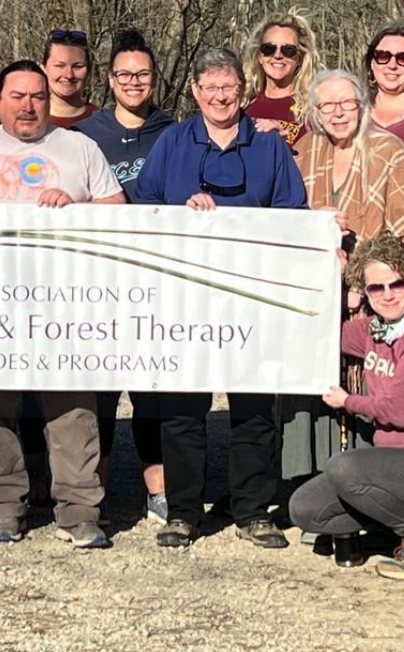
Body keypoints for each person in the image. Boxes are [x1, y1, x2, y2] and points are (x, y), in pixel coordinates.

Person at [0, 59, 124, 549]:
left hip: (67, 302)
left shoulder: (79, 147)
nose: (28, 106)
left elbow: (118, 212)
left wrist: (78, 210)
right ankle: (4, 505)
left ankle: (80, 508)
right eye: (17, 96)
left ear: (49, 101)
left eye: (37, 97)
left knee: (72, 407)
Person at [134, 46, 308, 549]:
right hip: (184, 301)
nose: (219, 97)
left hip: (251, 299)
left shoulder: (269, 147)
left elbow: (292, 211)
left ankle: (254, 511)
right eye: (209, 88)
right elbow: (143, 206)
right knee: (182, 410)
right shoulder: (173, 141)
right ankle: (184, 512)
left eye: (227, 88)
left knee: (254, 409)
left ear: (242, 91)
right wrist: (179, 213)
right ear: (194, 91)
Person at [288, 233, 404, 581]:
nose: (388, 294)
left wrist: (347, 401)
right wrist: (336, 280)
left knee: (344, 468)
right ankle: (399, 529)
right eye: (376, 288)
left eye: (397, 283)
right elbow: (323, 331)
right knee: (305, 508)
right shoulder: (375, 330)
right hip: (395, 473)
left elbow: (397, 410)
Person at [283, 69, 404, 491]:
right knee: (314, 389)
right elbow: (284, 217)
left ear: (362, 106)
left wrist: (358, 281)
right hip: (315, 298)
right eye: (327, 106)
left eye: (346, 104)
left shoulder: (390, 152)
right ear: (314, 112)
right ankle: (313, 483)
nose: (338, 113)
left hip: (372, 297)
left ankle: (372, 484)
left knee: (369, 389)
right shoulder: (302, 152)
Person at [76, 29, 176, 523]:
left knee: (152, 390)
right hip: (100, 279)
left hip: (156, 279)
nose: (134, 82)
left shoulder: (173, 131)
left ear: (154, 79)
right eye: (124, 74)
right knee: (99, 390)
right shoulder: (87, 134)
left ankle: (157, 487)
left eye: (143, 74)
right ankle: (95, 489)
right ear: (110, 80)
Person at [244, 10, 321, 143]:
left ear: (300, 58)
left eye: (288, 50)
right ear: (259, 56)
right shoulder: (243, 105)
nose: (278, 55)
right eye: (269, 49)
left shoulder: (314, 110)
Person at [364, 22, 404, 165]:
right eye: (383, 56)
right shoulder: (352, 113)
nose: (392, 65)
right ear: (372, 63)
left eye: (403, 58)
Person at [42, 28, 100, 127]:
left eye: (78, 66)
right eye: (59, 66)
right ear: (43, 69)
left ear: (89, 71)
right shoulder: (29, 120)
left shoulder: (103, 121)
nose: (69, 75)